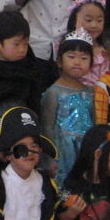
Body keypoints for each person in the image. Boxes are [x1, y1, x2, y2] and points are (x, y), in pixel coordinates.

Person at [0, 10, 57, 153]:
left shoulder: (32, 68)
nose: (22, 49)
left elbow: (35, 106)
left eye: (26, 44)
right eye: (16, 44)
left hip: (27, 139)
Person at [41, 31, 96, 188]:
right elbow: (47, 127)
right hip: (63, 150)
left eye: (84, 58)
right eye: (71, 57)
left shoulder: (91, 92)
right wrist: (49, 159)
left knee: (83, 187)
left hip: (85, 148)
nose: (77, 62)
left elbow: (95, 123)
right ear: (59, 61)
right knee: (64, 187)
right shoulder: (54, 92)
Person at [66, 0, 109, 84]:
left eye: (99, 20)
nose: (94, 25)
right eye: (88, 20)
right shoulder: (65, 46)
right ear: (74, 20)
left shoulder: (106, 49)